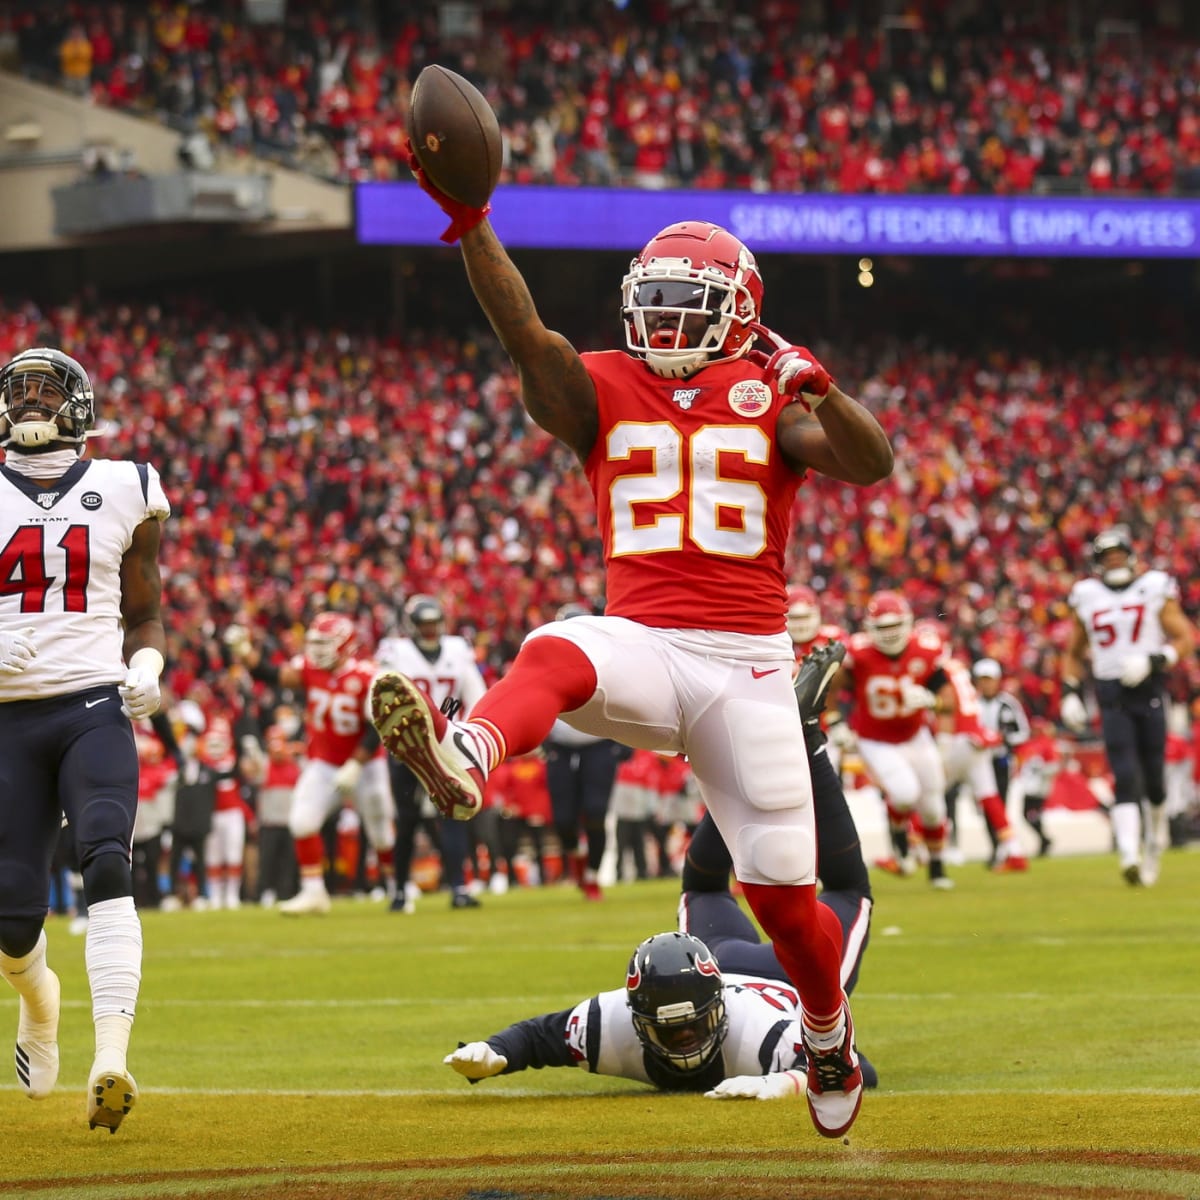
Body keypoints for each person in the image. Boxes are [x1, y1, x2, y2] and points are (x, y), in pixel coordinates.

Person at [371, 181, 893, 1138]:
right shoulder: (600, 382)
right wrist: (472, 222)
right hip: (646, 643)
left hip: (747, 667)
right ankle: (467, 755)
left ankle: (826, 1035)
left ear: (739, 307)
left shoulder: (767, 394)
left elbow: (870, 463)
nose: (661, 314)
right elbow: (524, 330)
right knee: (559, 642)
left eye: (684, 299)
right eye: (650, 296)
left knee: (786, 908)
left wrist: (821, 389)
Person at [445, 647, 878, 1100]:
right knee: (823, 888)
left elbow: (856, 1070)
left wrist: (781, 1080)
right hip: (735, 964)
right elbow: (539, 1038)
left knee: (824, 888)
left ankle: (800, 740)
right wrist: (493, 1053)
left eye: (688, 1027)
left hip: (781, 979)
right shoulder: (616, 1025)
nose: (685, 1042)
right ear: (639, 1019)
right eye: (672, 1031)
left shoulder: (759, 1035)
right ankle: (796, 738)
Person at [0, 347, 169, 1133]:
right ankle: (40, 1001)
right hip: (7, 716)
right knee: (11, 916)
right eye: (19, 392)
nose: (31, 404)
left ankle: (113, 1056)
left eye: (45, 392)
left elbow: (144, 607)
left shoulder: (124, 484)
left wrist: (148, 660)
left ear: (78, 406)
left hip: (93, 706)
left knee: (106, 853)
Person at [227, 612, 395, 914]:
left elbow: (379, 726)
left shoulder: (368, 675)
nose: (317, 650)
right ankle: (314, 892)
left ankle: (397, 886)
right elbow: (272, 674)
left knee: (380, 829)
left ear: (345, 644)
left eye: (325, 643)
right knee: (302, 821)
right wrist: (243, 651)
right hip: (325, 762)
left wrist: (356, 764)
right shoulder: (308, 668)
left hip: (366, 763)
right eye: (315, 642)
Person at [1060, 526, 1195, 886]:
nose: (1114, 562)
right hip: (1111, 690)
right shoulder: (1086, 595)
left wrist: (1155, 659)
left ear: (1131, 557)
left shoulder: (1153, 587)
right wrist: (1069, 691)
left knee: (1154, 777)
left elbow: (1184, 638)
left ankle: (1153, 844)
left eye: (1118, 555)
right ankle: (1128, 854)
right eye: (1107, 557)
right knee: (1123, 771)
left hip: (1148, 687)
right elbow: (1074, 652)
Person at [831, 591, 955, 888]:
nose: (889, 634)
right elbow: (834, 688)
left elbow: (947, 699)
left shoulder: (926, 649)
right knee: (903, 793)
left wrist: (931, 702)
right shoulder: (858, 654)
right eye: (882, 627)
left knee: (934, 806)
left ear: (908, 622)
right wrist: (836, 721)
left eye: (894, 626)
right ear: (870, 628)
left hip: (915, 735)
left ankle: (937, 868)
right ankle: (899, 833)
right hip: (876, 739)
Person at [375, 594, 488, 910]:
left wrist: (451, 727)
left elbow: (475, 695)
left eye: (434, 624)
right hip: (407, 746)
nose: (430, 631)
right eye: (423, 625)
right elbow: (379, 694)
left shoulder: (456, 649)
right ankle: (399, 889)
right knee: (408, 819)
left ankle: (459, 888)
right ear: (412, 626)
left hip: (446, 743)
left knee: (454, 814)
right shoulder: (395, 651)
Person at [543, 602, 630, 901]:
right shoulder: (544, 661)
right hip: (560, 748)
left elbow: (627, 697)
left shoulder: (608, 661)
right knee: (563, 819)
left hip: (599, 744)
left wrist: (626, 739)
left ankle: (591, 875)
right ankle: (579, 866)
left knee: (595, 813)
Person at [971, 658, 1032, 864]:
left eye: (990, 679)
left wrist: (1002, 739)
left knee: (1000, 804)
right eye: (983, 680)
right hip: (977, 761)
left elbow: (1023, 732)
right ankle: (997, 847)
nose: (986, 684)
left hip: (1000, 761)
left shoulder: (1008, 704)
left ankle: (1002, 849)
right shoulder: (971, 703)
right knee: (985, 808)